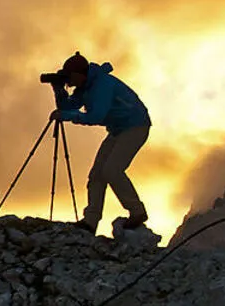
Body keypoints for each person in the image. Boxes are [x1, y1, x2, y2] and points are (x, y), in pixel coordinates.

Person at [50, 52, 152, 234]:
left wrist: (68, 116)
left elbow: (96, 116)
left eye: (70, 78)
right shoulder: (86, 86)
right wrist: (58, 90)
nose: (70, 83)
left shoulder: (102, 84)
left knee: (112, 170)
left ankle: (137, 212)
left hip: (135, 126)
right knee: (97, 175)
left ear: (79, 74)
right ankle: (90, 223)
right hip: (118, 130)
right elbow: (68, 107)